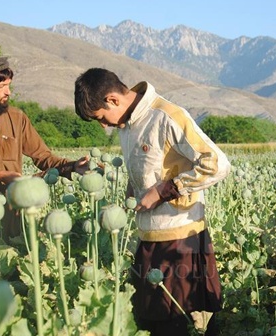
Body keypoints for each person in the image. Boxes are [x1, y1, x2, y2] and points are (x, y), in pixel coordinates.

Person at [74, 68, 231, 335]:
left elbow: (217, 164)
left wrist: (165, 190)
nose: (103, 126)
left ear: (112, 99)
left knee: (179, 324)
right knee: (149, 322)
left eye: (101, 118)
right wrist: (129, 193)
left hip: (181, 240)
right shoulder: (126, 126)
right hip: (147, 238)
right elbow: (144, 171)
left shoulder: (167, 116)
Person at [0, 56, 89, 240]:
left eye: (9, 85)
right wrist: (1, 175)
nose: (8, 92)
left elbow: (43, 156)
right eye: (2, 86)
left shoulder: (17, 117)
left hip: (12, 215)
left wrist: (74, 166)